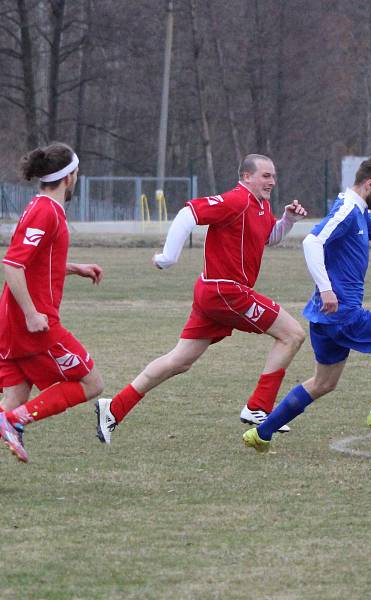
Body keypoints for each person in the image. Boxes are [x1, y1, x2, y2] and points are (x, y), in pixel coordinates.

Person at [95, 154, 308, 445]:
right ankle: (258, 408)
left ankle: (114, 408)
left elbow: (268, 237)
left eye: (273, 176)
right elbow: (188, 213)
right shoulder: (235, 200)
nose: (271, 181)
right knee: (292, 334)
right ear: (246, 177)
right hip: (225, 291)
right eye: (265, 175)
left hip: (215, 293)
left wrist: (289, 221)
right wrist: (167, 258)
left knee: (179, 361)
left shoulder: (261, 205)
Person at [242, 156, 371, 452]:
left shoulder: (358, 211)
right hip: (344, 314)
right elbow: (311, 242)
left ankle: (261, 434)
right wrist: (326, 289)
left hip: (325, 319)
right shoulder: (347, 210)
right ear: (369, 184)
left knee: (323, 384)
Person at [0, 142, 105, 494]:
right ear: (69, 176)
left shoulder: (42, 207)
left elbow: (36, 260)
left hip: (7, 324)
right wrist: (32, 314)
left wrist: (74, 268)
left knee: (12, 398)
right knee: (92, 384)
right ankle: (15, 422)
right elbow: (12, 264)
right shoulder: (47, 211)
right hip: (31, 324)